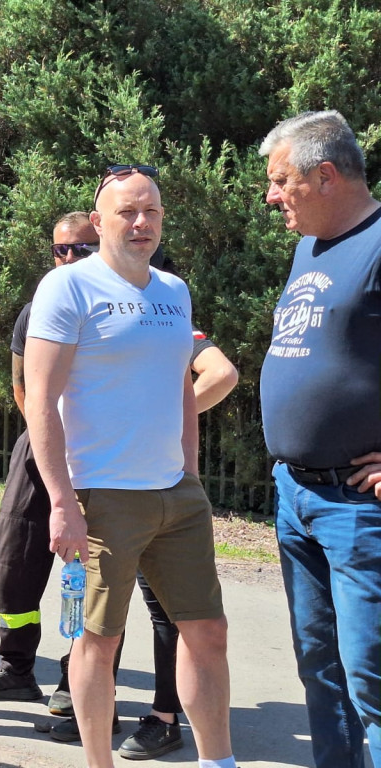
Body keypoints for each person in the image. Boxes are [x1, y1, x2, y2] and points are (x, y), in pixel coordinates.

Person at [25, 165, 236, 768]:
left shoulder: (173, 291)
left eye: (152, 212)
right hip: (102, 495)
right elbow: (39, 399)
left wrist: (191, 474)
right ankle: (99, 763)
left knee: (208, 633)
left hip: (176, 492)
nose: (141, 223)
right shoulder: (68, 288)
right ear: (98, 221)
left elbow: (179, 387)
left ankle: (217, 761)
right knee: (99, 639)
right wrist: (62, 501)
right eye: (127, 212)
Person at [259, 110, 381, 768]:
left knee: (372, 679)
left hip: (359, 507)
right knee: (321, 672)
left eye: (281, 182)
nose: (272, 195)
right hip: (295, 495)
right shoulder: (309, 244)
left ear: (326, 175)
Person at [0, 212, 98, 704]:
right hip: (40, 447)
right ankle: (16, 667)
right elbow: (21, 386)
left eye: (81, 248)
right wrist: (47, 438)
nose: (68, 258)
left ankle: (76, 676)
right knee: (13, 555)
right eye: (61, 249)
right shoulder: (37, 308)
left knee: (92, 565)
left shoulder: (116, 305)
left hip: (99, 455)